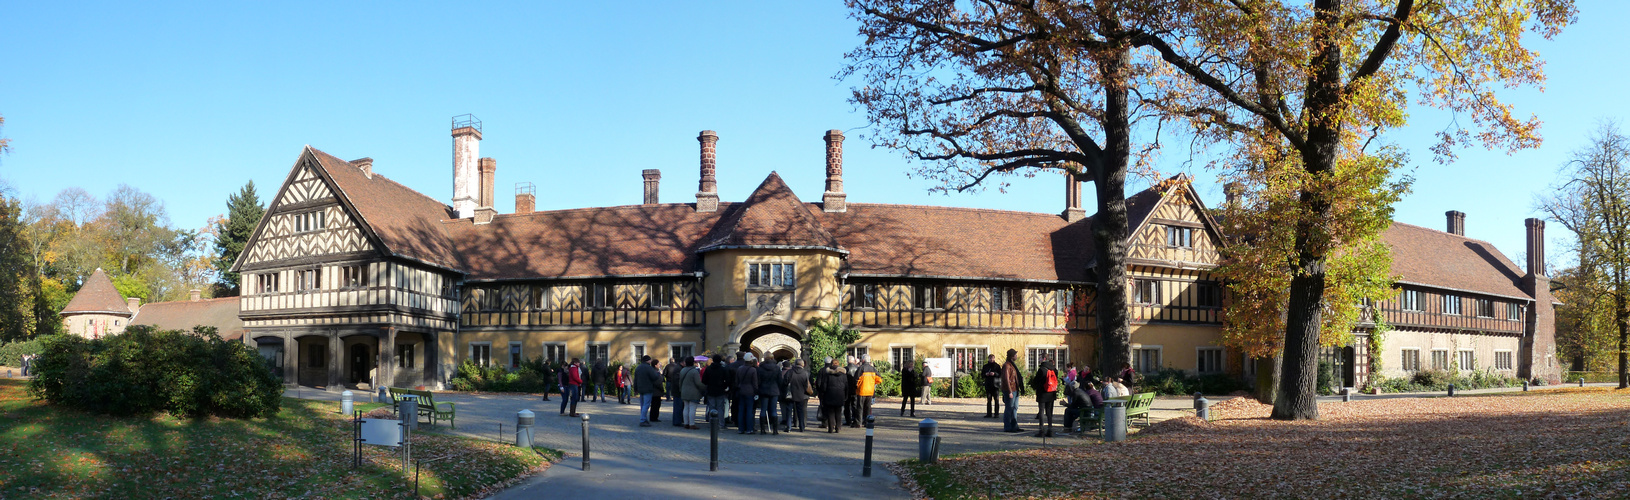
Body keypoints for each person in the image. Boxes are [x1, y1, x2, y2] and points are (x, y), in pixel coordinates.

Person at [815, 357, 848, 433]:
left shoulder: (828, 374)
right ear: (838, 364)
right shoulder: (843, 374)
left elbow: (824, 386)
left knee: (830, 412)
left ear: (831, 364)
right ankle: (838, 427)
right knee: (838, 412)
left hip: (829, 395)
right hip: (840, 395)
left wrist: (822, 394)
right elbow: (846, 386)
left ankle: (830, 428)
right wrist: (845, 395)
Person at [1029, 359, 1059, 437]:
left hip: (1042, 393)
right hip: (1051, 393)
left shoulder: (1042, 370)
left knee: (1041, 411)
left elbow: (1036, 381)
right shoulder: (1054, 370)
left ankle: (1041, 430)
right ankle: (1050, 430)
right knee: (1049, 412)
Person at [781, 358, 812, 432]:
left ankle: (788, 427)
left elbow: (785, 382)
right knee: (800, 411)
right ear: (802, 365)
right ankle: (801, 427)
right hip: (800, 394)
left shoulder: (790, 372)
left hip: (790, 394)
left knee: (789, 411)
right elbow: (806, 384)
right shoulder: (805, 373)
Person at [734, 353, 761, 434]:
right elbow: (755, 383)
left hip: (741, 390)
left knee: (741, 410)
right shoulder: (753, 370)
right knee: (749, 410)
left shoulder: (739, 368)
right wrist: (756, 392)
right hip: (750, 391)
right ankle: (749, 428)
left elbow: (736, 381)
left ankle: (741, 428)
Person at [635, 355, 664, 427]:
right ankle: (643, 420)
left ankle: (643, 418)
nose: (651, 361)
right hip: (648, 388)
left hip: (640, 388)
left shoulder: (638, 367)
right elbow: (654, 377)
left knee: (642, 405)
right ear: (648, 360)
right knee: (646, 405)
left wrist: (635, 389)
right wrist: (658, 374)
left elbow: (635, 379)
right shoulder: (649, 368)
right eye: (650, 360)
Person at [756, 357, 782, 435]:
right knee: (774, 409)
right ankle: (775, 430)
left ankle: (762, 430)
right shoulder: (777, 368)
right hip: (774, 390)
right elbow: (780, 380)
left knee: (763, 409)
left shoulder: (760, 368)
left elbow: (758, 380)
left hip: (763, 390)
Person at [704, 356, 732, 428]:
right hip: (720, 390)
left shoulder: (708, 369)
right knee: (720, 408)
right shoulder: (723, 369)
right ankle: (721, 423)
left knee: (711, 407)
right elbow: (728, 380)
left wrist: (709, 383)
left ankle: (712, 423)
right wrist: (725, 386)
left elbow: (704, 380)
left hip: (710, 390)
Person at [680, 357, 706, 430]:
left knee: (686, 407)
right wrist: (705, 387)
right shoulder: (694, 371)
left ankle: (686, 423)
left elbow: (680, 382)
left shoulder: (683, 370)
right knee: (692, 408)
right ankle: (692, 424)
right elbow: (698, 383)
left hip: (684, 391)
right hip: (693, 392)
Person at [1001, 349, 1023, 433]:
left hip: (1015, 389)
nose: (1016, 356)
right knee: (1009, 408)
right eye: (1015, 355)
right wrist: (1010, 391)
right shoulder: (1007, 365)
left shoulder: (1012, 365)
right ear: (1011, 356)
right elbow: (1006, 379)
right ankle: (1007, 426)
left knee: (1015, 408)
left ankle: (1014, 426)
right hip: (1010, 389)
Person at [855, 355, 882, 421]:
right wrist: (873, 383)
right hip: (870, 391)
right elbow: (879, 379)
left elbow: (856, 380)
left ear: (863, 360)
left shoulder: (861, 368)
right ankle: (867, 421)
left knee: (860, 408)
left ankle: (858, 422)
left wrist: (857, 387)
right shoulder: (873, 369)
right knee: (867, 408)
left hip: (862, 390)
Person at [665, 359, 685, 427]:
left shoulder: (678, 368)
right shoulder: (678, 369)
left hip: (676, 390)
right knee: (678, 407)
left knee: (679, 406)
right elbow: (677, 381)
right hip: (677, 391)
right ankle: (677, 421)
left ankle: (678, 420)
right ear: (682, 362)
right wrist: (681, 388)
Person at [843, 356, 860, 427]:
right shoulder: (858, 369)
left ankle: (848, 420)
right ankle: (855, 419)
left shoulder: (845, 369)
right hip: (855, 389)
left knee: (847, 406)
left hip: (847, 390)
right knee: (855, 405)